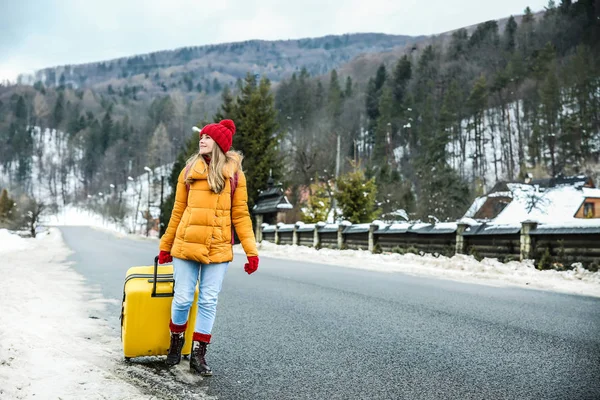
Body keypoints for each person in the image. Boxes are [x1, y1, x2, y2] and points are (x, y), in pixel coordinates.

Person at [157, 119, 259, 376]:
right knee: (182, 299)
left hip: (218, 248)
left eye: (207, 138)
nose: (201, 140)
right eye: (201, 136)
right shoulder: (188, 171)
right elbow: (177, 211)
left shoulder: (235, 175)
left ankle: (198, 355)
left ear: (219, 145)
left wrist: (251, 251)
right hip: (186, 246)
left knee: (208, 301)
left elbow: (241, 215)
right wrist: (165, 246)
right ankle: (176, 344)